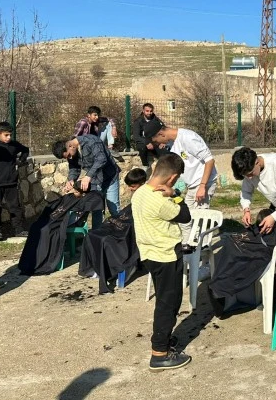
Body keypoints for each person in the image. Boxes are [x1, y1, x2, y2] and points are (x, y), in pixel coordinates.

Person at [208, 147, 276, 313]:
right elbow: (246, 192)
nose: (249, 177)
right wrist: (246, 209)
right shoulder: (250, 171)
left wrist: (274, 217)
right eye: (245, 176)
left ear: (256, 161)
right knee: (264, 240)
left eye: (250, 173)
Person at [131, 153, 192, 371]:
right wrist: (175, 194)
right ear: (172, 178)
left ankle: (164, 338)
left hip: (149, 254)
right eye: (175, 181)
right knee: (169, 304)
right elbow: (185, 216)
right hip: (166, 255)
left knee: (163, 301)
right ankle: (159, 353)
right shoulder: (160, 201)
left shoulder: (139, 194)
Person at [145, 124, 217, 248]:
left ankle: (203, 247)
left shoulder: (188, 138)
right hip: (192, 184)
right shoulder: (173, 142)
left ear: (162, 134)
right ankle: (188, 244)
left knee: (200, 217)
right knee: (186, 216)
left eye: (157, 141)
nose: (158, 144)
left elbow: (209, 160)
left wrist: (203, 186)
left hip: (202, 183)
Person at [78, 168, 146, 294]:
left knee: (106, 241)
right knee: (92, 235)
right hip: (121, 223)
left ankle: (109, 270)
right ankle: (95, 268)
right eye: (130, 186)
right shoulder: (137, 195)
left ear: (142, 183)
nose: (131, 189)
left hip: (127, 231)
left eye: (133, 186)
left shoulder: (147, 197)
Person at [18, 182, 105, 276]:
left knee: (46, 230)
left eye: (76, 191)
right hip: (55, 219)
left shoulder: (87, 199)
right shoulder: (71, 197)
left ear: (83, 193)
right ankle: (29, 263)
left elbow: (97, 198)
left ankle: (42, 262)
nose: (74, 192)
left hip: (64, 221)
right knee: (35, 227)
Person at [52, 134, 120, 229]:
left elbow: (101, 159)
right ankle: (97, 236)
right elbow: (74, 168)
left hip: (110, 177)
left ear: (70, 146)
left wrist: (88, 176)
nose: (70, 158)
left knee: (114, 209)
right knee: (96, 209)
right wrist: (71, 179)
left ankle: (119, 235)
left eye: (69, 155)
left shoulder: (91, 141)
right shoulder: (72, 153)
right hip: (96, 181)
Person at [132, 103, 168, 170]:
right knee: (141, 147)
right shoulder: (138, 121)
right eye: (147, 111)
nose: (149, 113)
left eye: (151, 111)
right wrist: (147, 142)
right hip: (143, 142)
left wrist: (164, 141)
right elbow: (136, 136)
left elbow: (164, 130)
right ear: (143, 111)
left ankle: (165, 170)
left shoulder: (156, 120)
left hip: (155, 142)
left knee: (165, 153)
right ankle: (145, 165)